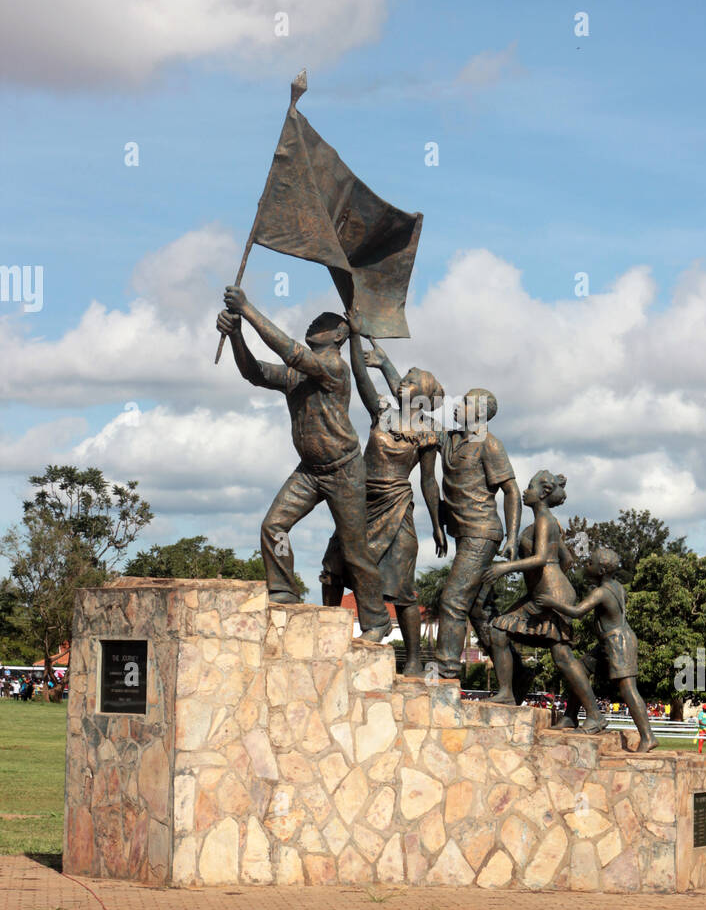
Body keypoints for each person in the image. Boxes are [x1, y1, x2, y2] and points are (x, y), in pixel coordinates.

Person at [217, 289, 390, 639]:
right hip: (310, 472)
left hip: (344, 470)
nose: (314, 325)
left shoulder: (333, 367)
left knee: (355, 552)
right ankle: (283, 591)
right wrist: (236, 335)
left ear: (340, 336)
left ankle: (376, 621)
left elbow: (292, 352)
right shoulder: (297, 374)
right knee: (274, 526)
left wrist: (247, 310)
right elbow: (253, 372)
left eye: (323, 324)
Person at [320, 314, 446, 677]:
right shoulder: (382, 412)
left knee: (403, 589)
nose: (403, 383)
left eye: (411, 381)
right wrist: (356, 339)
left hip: (397, 508)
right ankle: (327, 636)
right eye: (403, 379)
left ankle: (412, 664)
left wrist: (436, 525)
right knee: (334, 570)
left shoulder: (427, 433)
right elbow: (361, 377)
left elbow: (428, 482)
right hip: (361, 501)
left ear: (424, 396)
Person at [481, 470, 608, 733]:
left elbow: (540, 559)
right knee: (554, 652)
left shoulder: (543, 520)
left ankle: (593, 714)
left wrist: (505, 568)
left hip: (550, 594)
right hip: (551, 590)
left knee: (504, 632)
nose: (525, 492)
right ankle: (509, 692)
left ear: (543, 493)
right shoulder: (551, 522)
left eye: (529, 487)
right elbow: (567, 560)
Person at [431, 388, 521, 680]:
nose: (458, 406)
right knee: (479, 610)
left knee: (453, 601)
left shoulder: (489, 445)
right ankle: (518, 675)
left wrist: (512, 537)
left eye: (466, 403)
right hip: (463, 534)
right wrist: (382, 364)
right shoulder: (452, 440)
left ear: (480, 412)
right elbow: (416, 415)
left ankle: (445, 671)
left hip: (482, 534)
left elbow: (511, 491)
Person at [536, 543, 658, 752]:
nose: (586, 565)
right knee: (580, 671)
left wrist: (551, 602)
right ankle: (570, 717)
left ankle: (648, 736)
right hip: (608, 642)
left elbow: (577, 612)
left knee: (628, 689)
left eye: (590, 563)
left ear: (601, 571)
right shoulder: (616, 586)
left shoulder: (601, 592)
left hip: (618, 642)